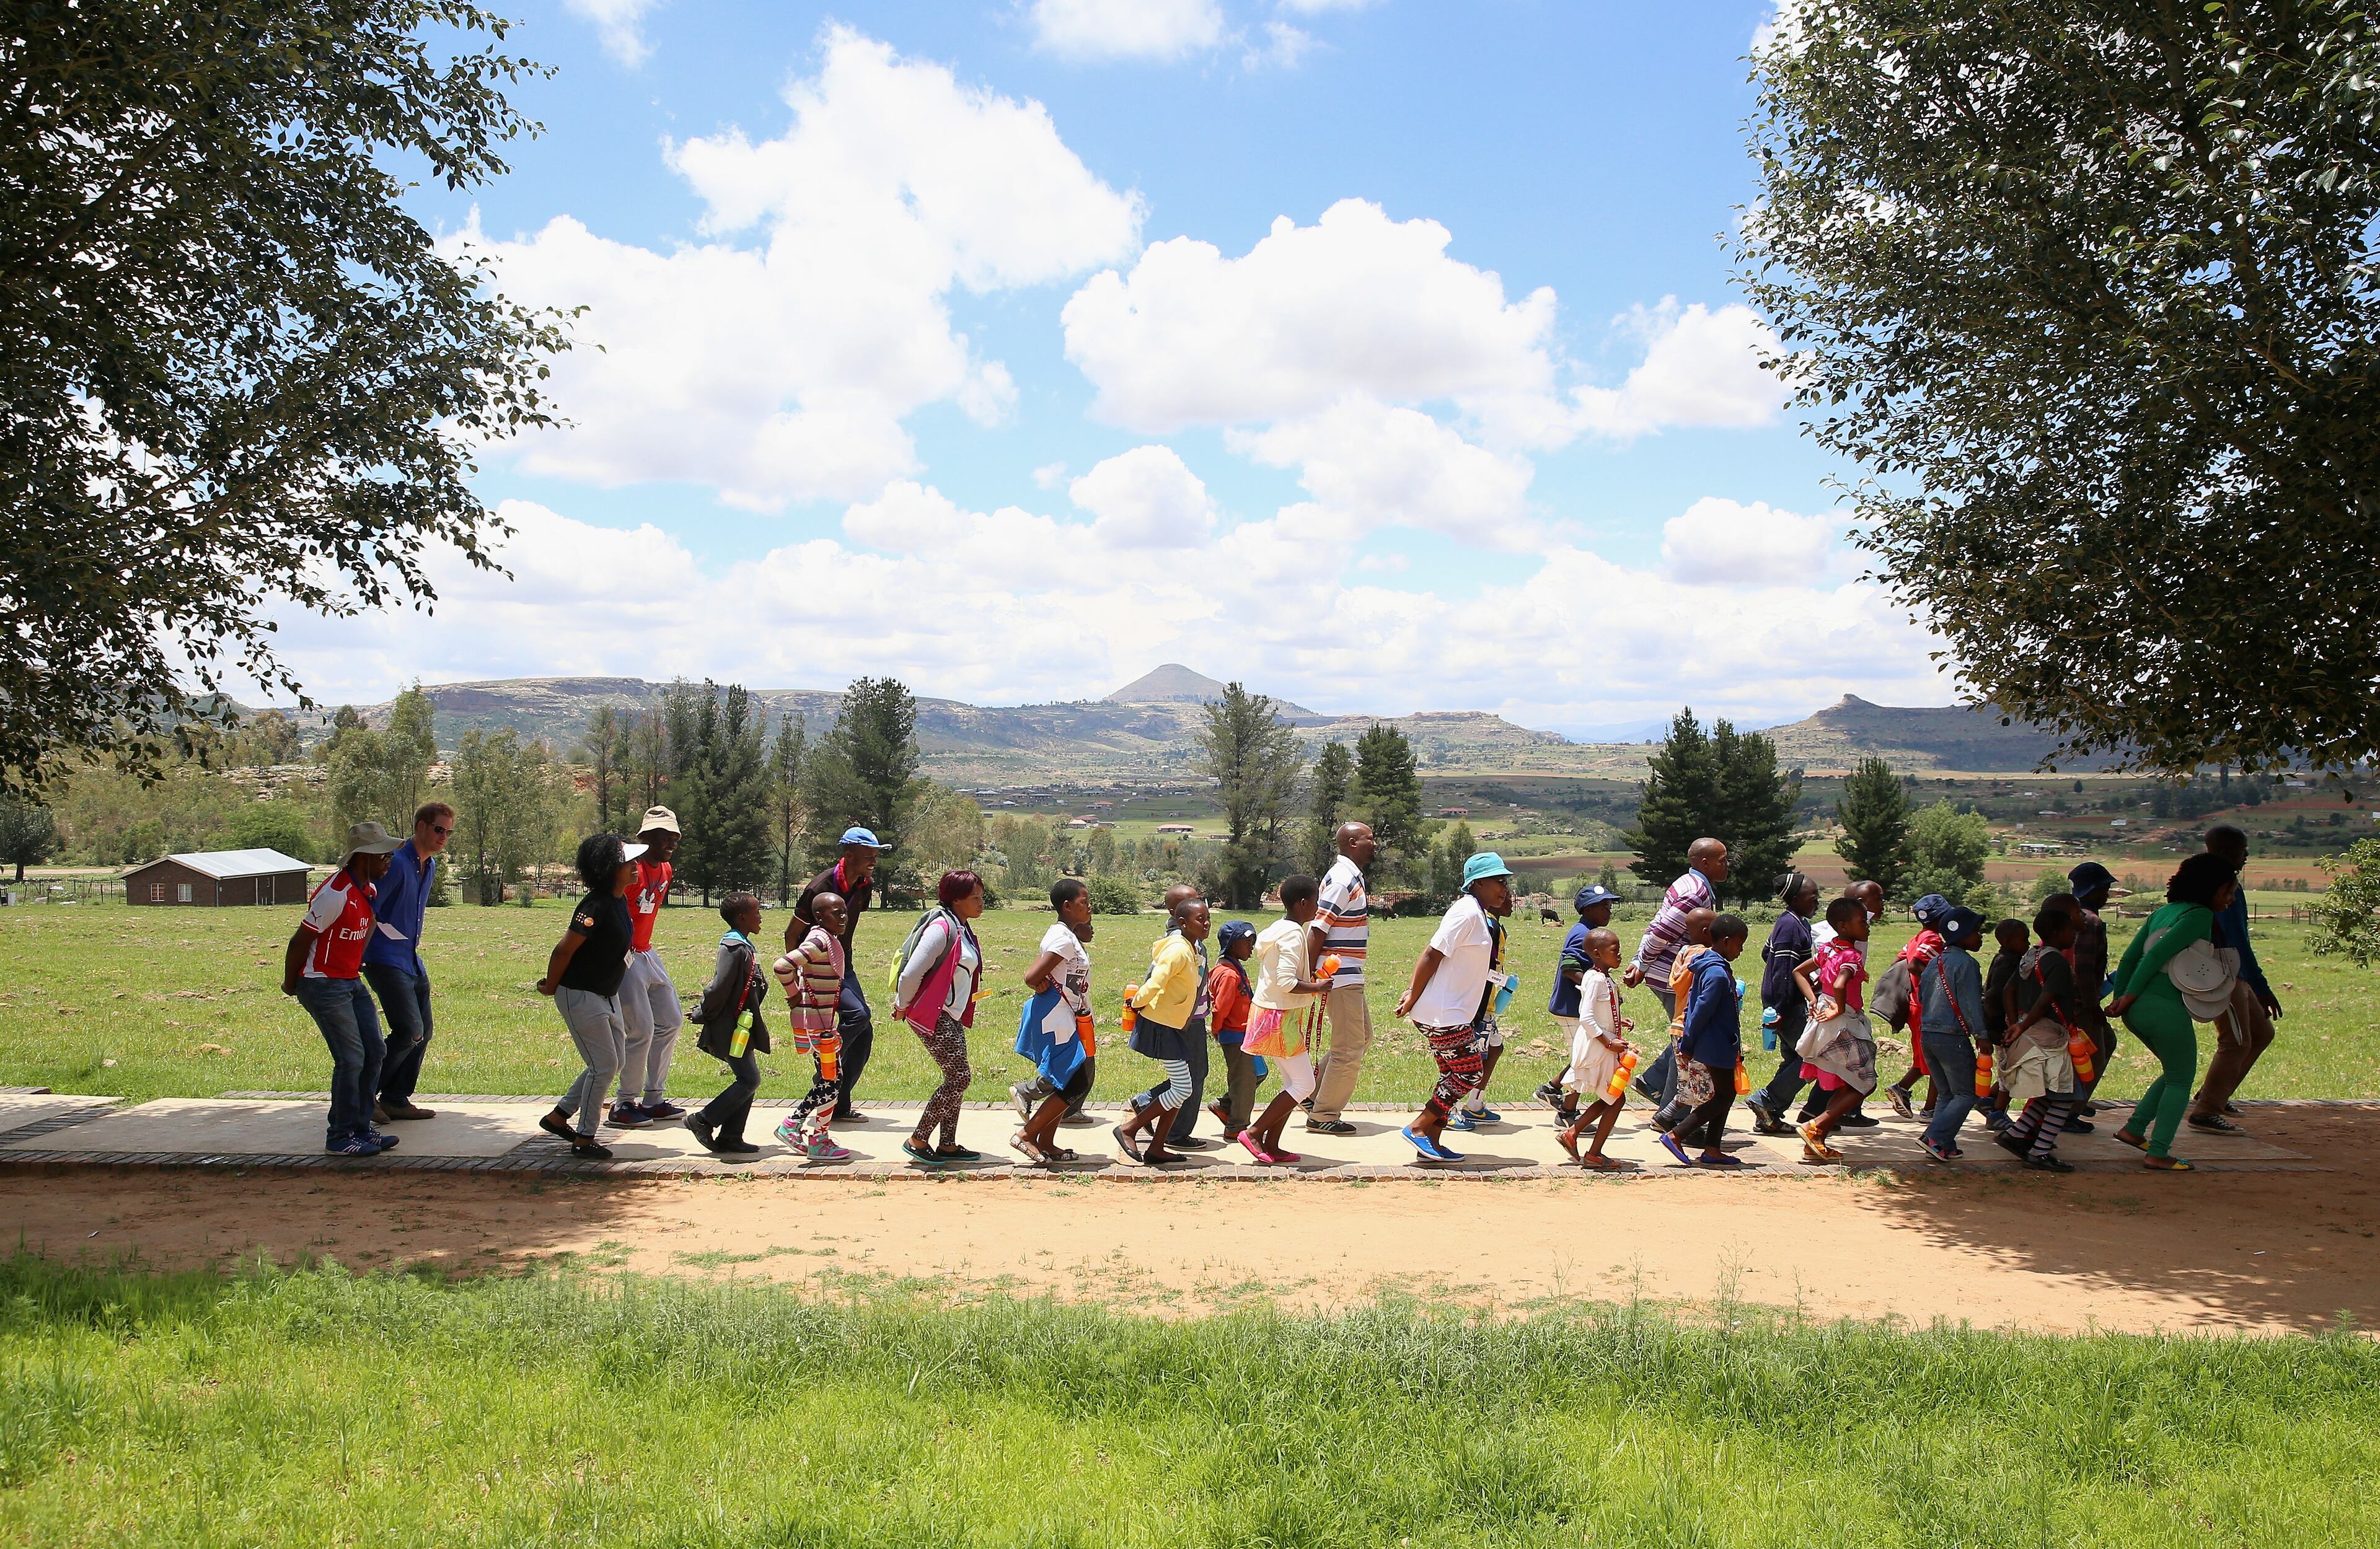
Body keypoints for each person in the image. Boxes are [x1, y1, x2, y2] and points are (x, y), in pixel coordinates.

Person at [281, 820, 407, 1156]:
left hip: (350, 980)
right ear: (362, 856)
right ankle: (339, 1136)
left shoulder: (368, 890)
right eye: (383, 856)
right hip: (323, 983)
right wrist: (291, 982)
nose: (388, 861)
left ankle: (362, 1129)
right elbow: (301, 940)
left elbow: (363, 932)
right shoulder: (335, 894)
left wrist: (357, 960)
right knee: (351, 1058)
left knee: (375, 1051)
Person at [2109, 852, 2241, 1172]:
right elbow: (2155, 957)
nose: (2231, 899)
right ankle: (2159, 1152)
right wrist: (2128, 996)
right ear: (2210, 889)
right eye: (2228, 892)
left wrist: (2123, 998)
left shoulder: (2164, 912)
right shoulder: (2199, 916)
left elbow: (2129, 958)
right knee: (2182, 1080)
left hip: (2138, 1010)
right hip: (2163, 1008)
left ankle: (2135, 1129)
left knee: (2173, 1073)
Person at [1393, 853, 1515, 1164]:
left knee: (1452, 1073)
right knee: (1471, 1072)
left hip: (1451, 1012)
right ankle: (1420, 1128)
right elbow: (1432, 954)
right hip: (1443, 1013)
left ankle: (1432, 1140)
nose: (1504, 887)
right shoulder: (1466, 913)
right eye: (1497, 881)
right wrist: (1412, 993)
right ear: (1477, 884)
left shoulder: (1478, 913)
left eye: (1505, 881)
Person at [536, 833, 646, 1161]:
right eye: (630, 862)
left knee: (613, 1062)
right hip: (581, 994)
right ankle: (584, 1138)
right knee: (604, 1065)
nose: (637, 866)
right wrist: (552, 986)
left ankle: (558, 1117)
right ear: (611, 868)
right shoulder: (594, 905)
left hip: (605, 994)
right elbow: (563, 950)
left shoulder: (619, 901)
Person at [791, 827, 889, 1123]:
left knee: (864, 1033)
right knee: (859, 1016)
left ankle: (839, 1105)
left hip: (844, 964)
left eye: (875, 855)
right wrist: (802, 976)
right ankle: (825, 1064)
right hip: (819, 966)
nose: (873, 860)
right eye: (867, 855)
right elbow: (792, 933)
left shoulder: (864, 884)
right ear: (848, 855)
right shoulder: (820, 887)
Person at [361, 801, 451, 1124]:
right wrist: (358, 955)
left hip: (410, 958)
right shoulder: (397, 862)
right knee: (409, 1030)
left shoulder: (430, 866)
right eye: (439, 829)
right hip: (383, 956)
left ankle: (396, 1099)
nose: (444, 837)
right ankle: (362, 1096)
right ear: (421, 827)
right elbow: (371, 908)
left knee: (423, 1031)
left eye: (448, 832)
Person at [2190, 825, 2283, 1134]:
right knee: (2236, 1042)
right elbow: (2237, 940)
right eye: (2244, 849)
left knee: (2260, 1034)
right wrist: (2262, 987)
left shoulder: (2227, 885)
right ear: (2228, 852)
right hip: (2222, 973)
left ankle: (2215, 1093)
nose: (2247, 855)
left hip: (2236, 974)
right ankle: (2206, 1111)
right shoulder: (2219, 889)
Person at [892, 869, 988, 1167]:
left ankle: (947, 1144)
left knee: (954, 1077)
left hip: (950, 1015)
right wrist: (902, 1005)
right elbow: (912, 972)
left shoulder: (962, 926)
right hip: (935, 1015)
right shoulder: (942, 928)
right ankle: (918, 1140)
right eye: (975, 898)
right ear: (956, 899)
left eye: (982, 896)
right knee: (960, 1077)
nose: (981, 902)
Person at [1240, 875, 1336, 1164]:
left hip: (1272, 1014)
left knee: (1292, 1082)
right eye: (1316, 902)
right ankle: (1255, 1133)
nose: (1318, 907)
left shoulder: (1277, 929)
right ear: (1304, 903)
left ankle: (1272, 1143)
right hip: (1279, 1018)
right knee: (1305, 1085)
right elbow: (1285, 982)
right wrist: (1317, 987)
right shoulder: (1294, 934)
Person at [1624, 838, 1728, 1104]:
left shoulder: (1687, 883)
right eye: (1722, 860)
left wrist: (1641, 961)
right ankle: (1673, 1111)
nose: (1727, 865)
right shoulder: (1696, 893)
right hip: (1677, 977)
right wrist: (1641, 963)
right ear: (1705, 863)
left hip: (1671, 972)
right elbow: (1663, 931)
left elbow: (1657, 924)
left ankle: (1654, 1084)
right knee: (1685, 1039)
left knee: (1684, 1035)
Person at [1995, 903, 2091, 1171]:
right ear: (2058, 932)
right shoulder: (2057, 961)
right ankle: (2041, 1151)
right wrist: (2023, 1026)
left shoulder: (2031, 956)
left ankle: (2014, 1135)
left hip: (2029, 1030)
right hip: (2048, 1035)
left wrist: (2016, 1022)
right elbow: (2047, 998)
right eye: (2071, 930)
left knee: (2048, 1094)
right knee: (2065, 1096)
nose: (2074, 935)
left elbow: (2008, 990)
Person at [1116, 897, 1211, 1165]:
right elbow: (1155, 980)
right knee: (1182, 1088)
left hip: (1174, 1025)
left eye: (1207, 918)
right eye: (1199, 919)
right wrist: (1135, 1004)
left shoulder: (1190, 947)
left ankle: (1157, 1147)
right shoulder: (1179, 950)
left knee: (1183, 1088)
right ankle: (1129, 1129)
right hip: (1162, 1025)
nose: (1205, 924)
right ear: (1182, 923)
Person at [609, 806, 687, 1128]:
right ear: (644, 838)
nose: (669, 844)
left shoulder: (666, 870)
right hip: (622, 955)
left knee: (671, 1021)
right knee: (640, 1030)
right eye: (662, 837)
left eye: (674, 838)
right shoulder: (630, 869)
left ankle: (653, 1097)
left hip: (646, 952)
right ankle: (624, 1103)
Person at [764, 890, 855, 1163]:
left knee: (832, 1079)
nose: (842, 917)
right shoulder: (818, 940)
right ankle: (808, 1134)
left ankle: (809, 1131)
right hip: (816, 1023)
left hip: (822, 1022)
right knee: (832, 1080)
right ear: (818, 916)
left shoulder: (828, 939)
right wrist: (792, 993)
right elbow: (782, 965)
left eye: (843, 911)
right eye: (834, 912)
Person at [1011, 878, 1096, 1165]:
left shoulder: (1067, 934)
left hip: (1064, 1014)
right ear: (1067, 906)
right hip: (1055, 1016)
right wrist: (1039, 982)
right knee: (1075, 1081)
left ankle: (1046, 1141)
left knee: (1070, 1079)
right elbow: (1031, 976)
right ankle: (1026, 1135)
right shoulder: (1062, 938)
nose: (1088, 907)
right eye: (1084, 902)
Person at [1660, 913, 1752, 1169]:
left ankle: (1713, 1148)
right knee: (1723, 1096)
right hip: (1714, 1044)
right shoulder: (1717, 974)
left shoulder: (1710, 966)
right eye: (1739, 943)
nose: (1741, 949)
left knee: (1725, 1093)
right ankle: (1677, 1134)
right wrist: (1688, 1044)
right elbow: (1699, 1010)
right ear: (1724, 941)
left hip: (1719, 1042)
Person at [684, 892, 770, 1160]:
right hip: (729, 1024)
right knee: (749, 1079)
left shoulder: (744, 945)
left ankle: (732, 1136)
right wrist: (702, 1011)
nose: (760, 917)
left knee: (748, 1078)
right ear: (742, 917)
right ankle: (703, 1120)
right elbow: (719, 987)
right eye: (756, 912)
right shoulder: (733, 947)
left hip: (741, 1024)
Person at [1305, 822, 1377, 1136]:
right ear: (1351, 843)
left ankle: (1310, 1093)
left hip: (1348, 975)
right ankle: (1323, 1114)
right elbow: (1318, 928)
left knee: (1361, 1039)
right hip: (1339, 977)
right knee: (1349, 1049)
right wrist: (1308, 975)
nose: (1374, 844)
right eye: (1368, 839)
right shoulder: (1343, 880)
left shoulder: (1351, 877)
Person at [1793, 896, 1877, 1162]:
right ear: (1843, 925)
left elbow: (1799, 972)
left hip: (1824, 1020)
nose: (1867, 926)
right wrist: (1839, 1008)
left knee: (1846, 1083)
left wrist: (1815, 999)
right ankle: (1815, 1126)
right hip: (1844, 1024)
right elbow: (1841, 984)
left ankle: (1817, 1140)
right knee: (1865, 1082)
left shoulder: (1829, 949)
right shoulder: (1851, 955)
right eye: (1862, 922)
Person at [1744, 871, 1820, 1134]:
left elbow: (1769, 953)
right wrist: (1781, 1006)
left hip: (1788, 1001)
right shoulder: (1791, 926)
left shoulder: (1794, 922)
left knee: (1793, 1059)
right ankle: (1765, 1101)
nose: (1817, 903)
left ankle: (1769, 1116)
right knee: (1812, 1057)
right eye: (1813, 898)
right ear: (1797, 899)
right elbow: (1783, 968)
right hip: (1789, 1005)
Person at [1536, 883, 1621, 1112]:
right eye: (1603, 906)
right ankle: (1566, 1111)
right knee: (1583, 1059)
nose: (1609, 911)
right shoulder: (1583, 934)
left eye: (1609, 906)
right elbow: (1569, 966)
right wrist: (1597, 988)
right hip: (1572, 1008)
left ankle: (1553, 1090)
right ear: (1587, 909)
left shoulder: (1589, 931)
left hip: (1579, 1008)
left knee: (1583, 1056)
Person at [1555, 926, 1635, 1169]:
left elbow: (1600, 1014)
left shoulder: (1605, 978)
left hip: (1605, 1044)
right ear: (1598, 953)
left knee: (1614, 1097)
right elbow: (1586, 1018)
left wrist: (1619, 1021)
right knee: (1615, 1097)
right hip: (1598, 1048)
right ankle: (1592, 1151)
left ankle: (1576, 1136)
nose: (1620, 955)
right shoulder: (1594, 979)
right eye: (1615, 950)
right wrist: (1609, 1042)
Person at [1914, 906, 1990, 1163]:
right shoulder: (1967, 964)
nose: (1981, 937)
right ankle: (1936, 1137)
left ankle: (1940, 1141)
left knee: (1947, 1093)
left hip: (1928, 1034)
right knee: (1967, 1093)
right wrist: (1981, 1035)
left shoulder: (1936, 961)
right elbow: (1971, 1004)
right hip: (1953, 1037)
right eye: (1977, 932)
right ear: (1964, 935)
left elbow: (1923, 996)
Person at [1882, 895, 1955, 1120]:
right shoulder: (1934, 940)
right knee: (1938, 1062)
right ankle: (1929, 1108)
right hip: (1928, 1006)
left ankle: (1908, 1092)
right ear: (1941, 918)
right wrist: (1937, 985)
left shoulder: (1917, 938)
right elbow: (1914, 965)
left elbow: (1899, 962)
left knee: (1926, 1058)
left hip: (1916, 1005)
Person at [2061, 861, 2119, 1117]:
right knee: (2092, 1056)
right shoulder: (2089, 921)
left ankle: (2075, 1103)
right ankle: (2068, 1112)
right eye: (2105, 889)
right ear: (2093, 890)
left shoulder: (2070, 917)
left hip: (2069, 1000)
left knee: (2103, 1043)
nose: (2106, 895)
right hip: (2080, 1004)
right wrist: (2092, 1006)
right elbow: (2082, 968)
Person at [1207, 920, 1260, 1139]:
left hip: (1246, 1034)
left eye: (1253, 942)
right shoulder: (1228, 973)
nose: (1251, 947)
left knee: (1258, 1073)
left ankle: (1225, 1106)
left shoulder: (1235, 967)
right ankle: (1237, 1126)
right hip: (1235, 1035)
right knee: (1244, 1081)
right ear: (1231, 945)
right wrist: (1217, 1031)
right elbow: (1221, 1008)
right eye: (1246, 942)